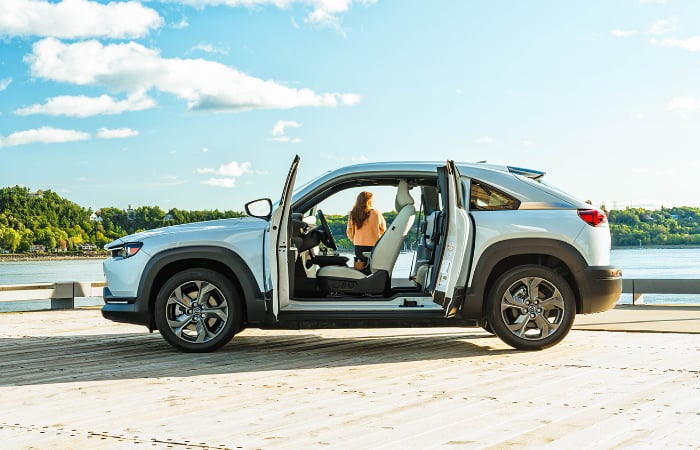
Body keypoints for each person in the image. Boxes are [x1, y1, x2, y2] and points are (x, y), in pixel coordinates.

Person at [346, 191, 386, 271]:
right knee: (372, 269)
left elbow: (349, 231)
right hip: (374, 246)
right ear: (369, 201)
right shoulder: (376, 213)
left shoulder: (353, 214)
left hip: (358, 246)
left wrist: (355, 240)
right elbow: (383, 229)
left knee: (359, 269)